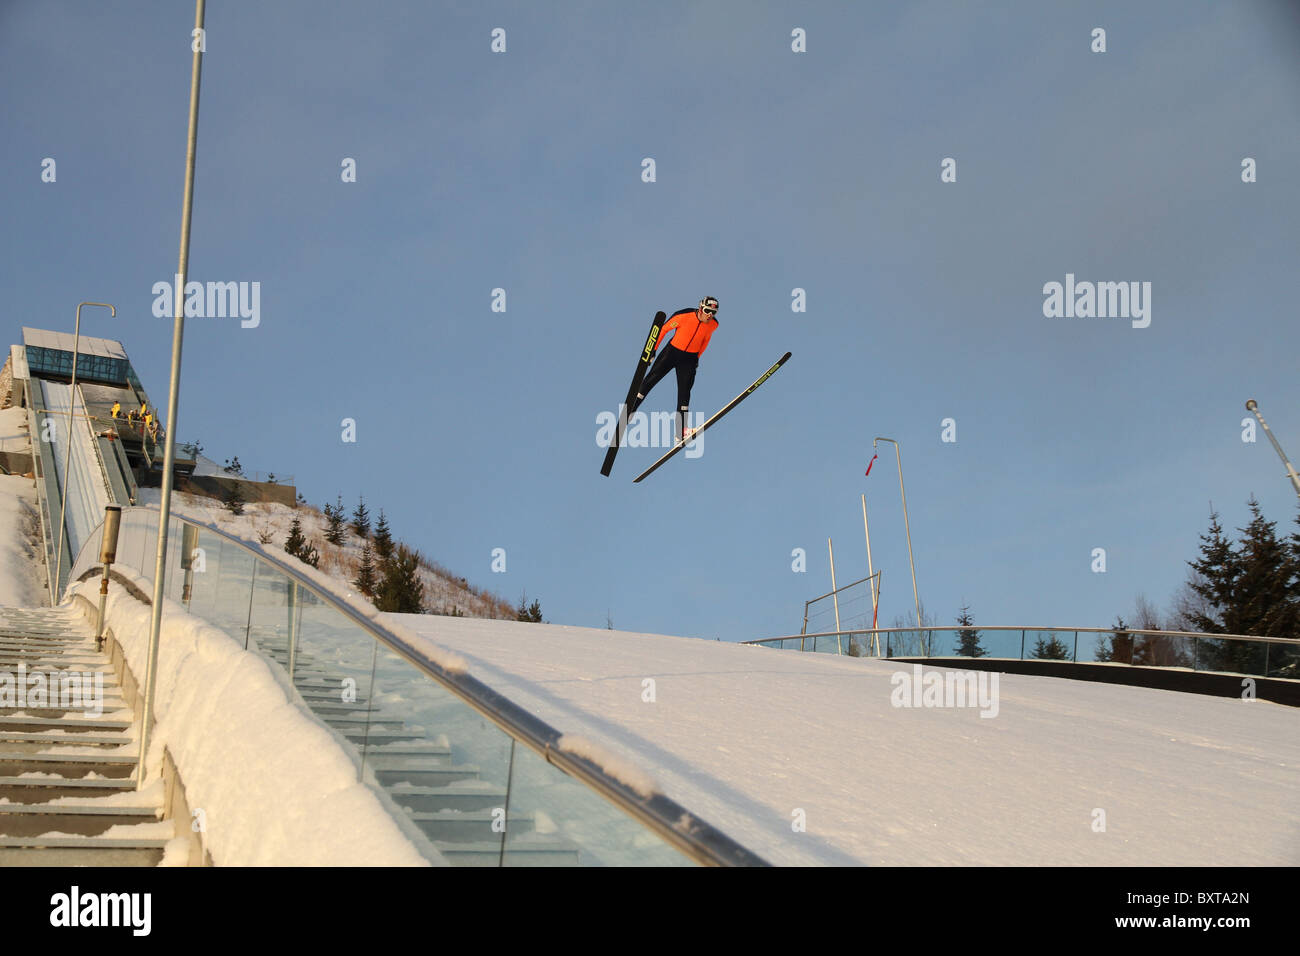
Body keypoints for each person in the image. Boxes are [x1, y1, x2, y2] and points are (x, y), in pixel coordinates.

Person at [631, 296, 719, 441]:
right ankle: (631, 409)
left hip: (689, 360)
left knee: (685, 394)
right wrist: (652, 350)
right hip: (672, 352)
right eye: (707, 310)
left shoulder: (713, 325)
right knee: (651, 380)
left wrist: (697, 357)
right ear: (700, 308)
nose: (710, 315)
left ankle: (681, 431)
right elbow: (663, 329)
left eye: (713, 312)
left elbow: (705, 341)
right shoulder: (683, 316)